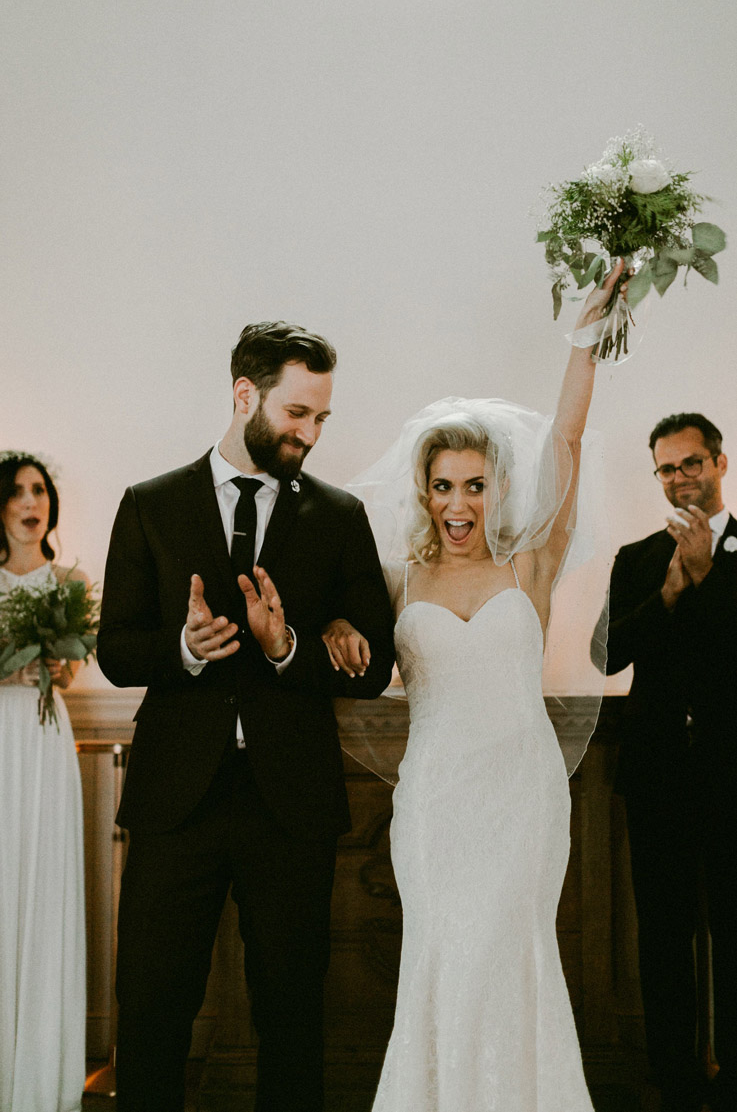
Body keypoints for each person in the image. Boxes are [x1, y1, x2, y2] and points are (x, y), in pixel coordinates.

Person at [321, 265, 623, 1111]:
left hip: (519, 795)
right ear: (425, 491)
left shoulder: (530, 564)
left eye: (475, 484)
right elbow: (341, 636)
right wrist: (331, 634)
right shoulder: (396, 582)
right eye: (443, 484)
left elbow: (563, 442)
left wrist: (581, 345)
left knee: (510, 948)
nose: (458, 502)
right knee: (441, 953)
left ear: (497, 490)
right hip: (435, 801)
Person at [97, 322, 395, 1112]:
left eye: (321, 418)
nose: (310, 433)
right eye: (298, 413)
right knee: (154, 1008)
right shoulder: (150, 504)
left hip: (287, 803)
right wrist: (187, 648)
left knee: (292, 1014)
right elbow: (117, 650)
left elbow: (376, 665)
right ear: (244, 395)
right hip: (174, 800)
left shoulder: (338, 516)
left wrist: (292, 643)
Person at [598, 413, 737, 1112]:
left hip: (730, 776)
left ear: (718, 462)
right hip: (655, 777)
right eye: (666, 468)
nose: (679, 477)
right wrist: (669, 592)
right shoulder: (635, 557)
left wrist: (709, 578)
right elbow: (607, 653)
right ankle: (673, 1082)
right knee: (661, 936)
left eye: (690, 463)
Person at [0, 451, 87, 1112]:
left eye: (40, 491)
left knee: (43, 884)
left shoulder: (67, 583)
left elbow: (72, 671)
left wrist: (59, 666)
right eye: (18, 492)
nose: (33, 502)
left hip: (46, 737)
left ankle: (39, 1078)